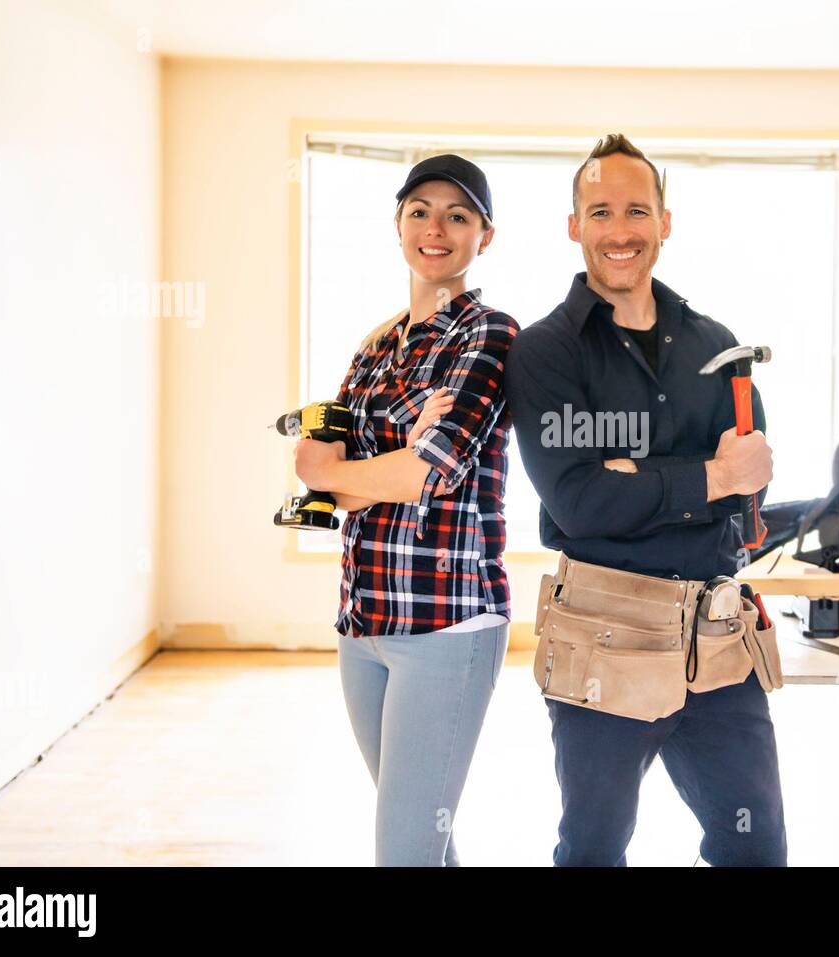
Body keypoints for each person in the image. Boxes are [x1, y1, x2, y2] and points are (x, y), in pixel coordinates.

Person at [504, 134, 787, 866]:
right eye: (601, 211)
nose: (620, 230)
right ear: (574, 225)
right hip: (604, 635)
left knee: (754, 847)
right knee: (594, 849)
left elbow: (751, 479)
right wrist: (708, 476)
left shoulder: (717, 345)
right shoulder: (545, 352)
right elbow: (580, 504)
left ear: (665, 221)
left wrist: (645, 475)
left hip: (720, 638)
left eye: (637, 210)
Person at [293, 154, 518, 866]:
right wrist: (380, 464)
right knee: (425, 842)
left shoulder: (489, 334)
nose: (436, 227)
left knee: (406, 851)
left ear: (486, 235)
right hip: (364, 624)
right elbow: (313, 472)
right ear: (397, 226)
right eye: (419, 209)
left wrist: (361, 471)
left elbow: (433, 472)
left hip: (448, 623)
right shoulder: (373, 350)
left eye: (459, 214)